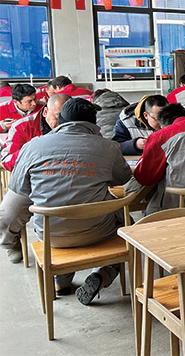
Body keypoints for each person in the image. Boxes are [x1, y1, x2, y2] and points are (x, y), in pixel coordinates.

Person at [0, 98, 131, 305]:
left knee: (54, 215)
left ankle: (60, 280)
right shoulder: (108, 147)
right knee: (129, 227)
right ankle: (102, 274)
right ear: (93, 122)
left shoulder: (33, 146)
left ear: (60, 120)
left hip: (49, 235)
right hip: (98, 231)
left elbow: (19, 187)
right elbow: (122, 178)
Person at [1, 94, 69, 172]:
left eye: (68, 119)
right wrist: (31, 148)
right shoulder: (22, 126)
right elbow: (6, 162)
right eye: (58, 117)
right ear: (45, 112)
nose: (63, 123)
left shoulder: (76, 122)